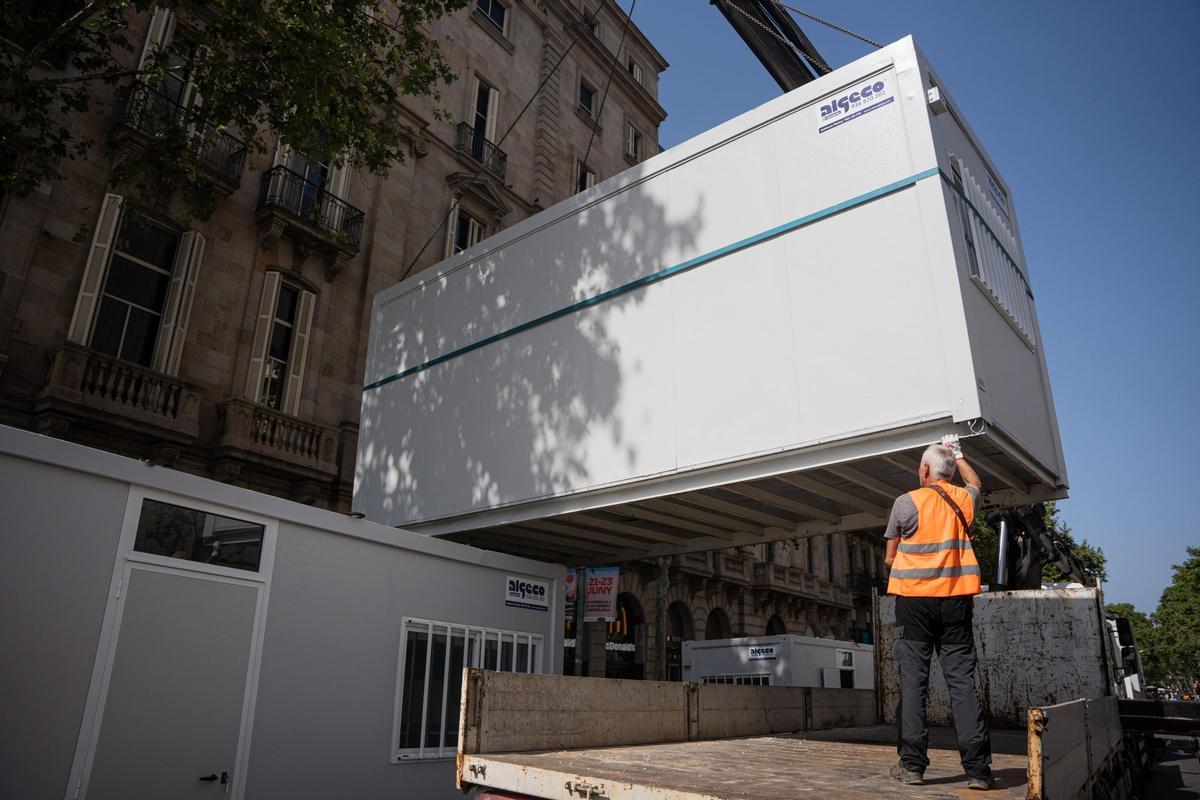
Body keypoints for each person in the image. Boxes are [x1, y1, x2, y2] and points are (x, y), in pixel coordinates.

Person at [884, 435, 993, 791]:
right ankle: (978, 770)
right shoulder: (965, 498)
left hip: (914, 604)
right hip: (956, 602)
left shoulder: (905, 502)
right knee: (962, 682)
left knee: (914, 684)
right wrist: (959, 453)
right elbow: (976, 482)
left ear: (925, 469)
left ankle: (912, 766)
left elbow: (889, 557)